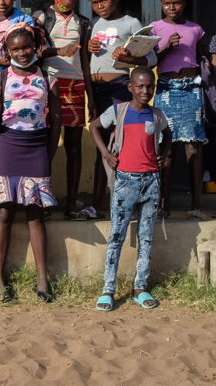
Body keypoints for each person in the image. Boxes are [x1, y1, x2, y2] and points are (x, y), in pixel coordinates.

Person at [0, 24, 61, 301]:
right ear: (7, 51)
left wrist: (49, 155)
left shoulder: (48, 77)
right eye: (15, 49)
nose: (22, 53)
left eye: (26, 47)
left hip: (37, 148)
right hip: (8, 147)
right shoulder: (0, 78)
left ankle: (43, 282)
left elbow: (56, 122)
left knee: (35, 214)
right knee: (4, 213)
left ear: (35, 46)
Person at [90, 66, 171, 311]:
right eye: (141, 86)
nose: (145, 91)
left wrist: (163, 155)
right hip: (125, 182)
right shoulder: (118, 111)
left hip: (151, 183)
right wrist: (105, 154)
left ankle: (140, 288)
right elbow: (94, 127)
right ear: (131, 87)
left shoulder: (156, 115)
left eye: (150, 87)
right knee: (116, 236)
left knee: (146, 238)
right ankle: (108, 290)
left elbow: (168, 135)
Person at [87, 0, 157, 218]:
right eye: (94, 3)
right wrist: (90, 49)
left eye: (103, 0)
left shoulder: (131, 23)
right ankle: (97, 202)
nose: (100, 6)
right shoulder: (94, 24)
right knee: (101, 148)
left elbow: (151, 59)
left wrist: (129, 59)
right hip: (96, 90)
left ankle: (124, 200)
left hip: (118, 87)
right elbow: (90, 61)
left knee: (118, 145)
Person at [35, 0, 96, 219]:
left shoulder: (83, 23)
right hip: (50, 86)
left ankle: (71, 203)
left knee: (74, 147)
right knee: (48, 144)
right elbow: (36, 51)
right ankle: (44, 202)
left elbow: (85, 61)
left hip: (76, 87)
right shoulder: (42, 18)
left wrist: (91, 96)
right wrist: (59, 49)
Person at [150, 0, 209, 220]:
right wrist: (166, 47)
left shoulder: (196, 29)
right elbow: (150, 60)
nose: (171, 7)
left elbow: (202, 55)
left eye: (176, 3)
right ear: (161, 3)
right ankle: (165, 206)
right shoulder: (155, 28)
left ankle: (195, 205)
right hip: (165, 89)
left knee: (193, 148)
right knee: (167, 148)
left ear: (184, 3)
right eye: (166, 3)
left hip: (191, 89)